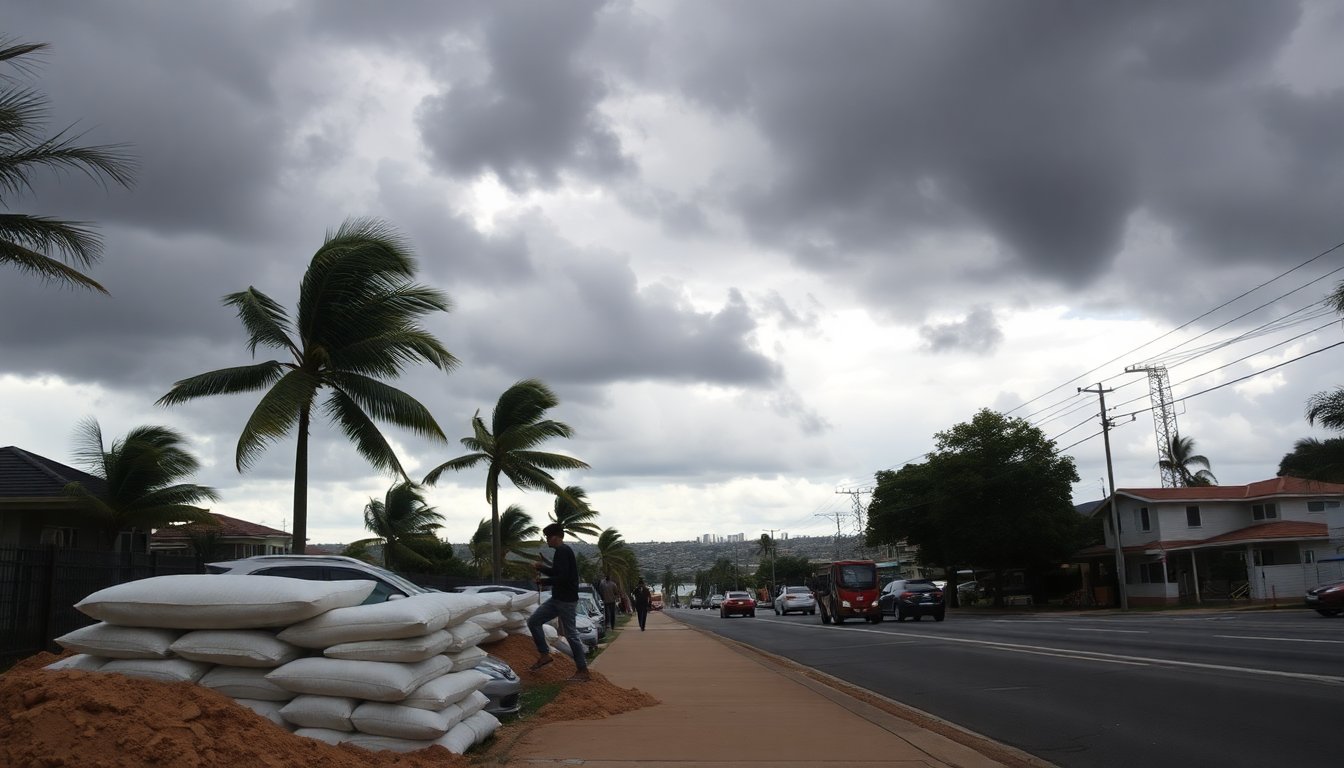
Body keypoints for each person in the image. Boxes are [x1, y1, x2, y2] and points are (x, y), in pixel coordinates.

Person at [527, 523, 590, 682]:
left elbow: (562, 578)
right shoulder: (561, 552)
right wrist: (541, 568)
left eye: (548, 537)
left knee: (571, 635)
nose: (547, 541)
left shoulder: (563, 551)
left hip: (566, 600)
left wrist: (543, 582)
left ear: (555, 537)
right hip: (557, 599)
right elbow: (557, 571)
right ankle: (544, 655)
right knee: (534, 621)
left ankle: (582, 670)